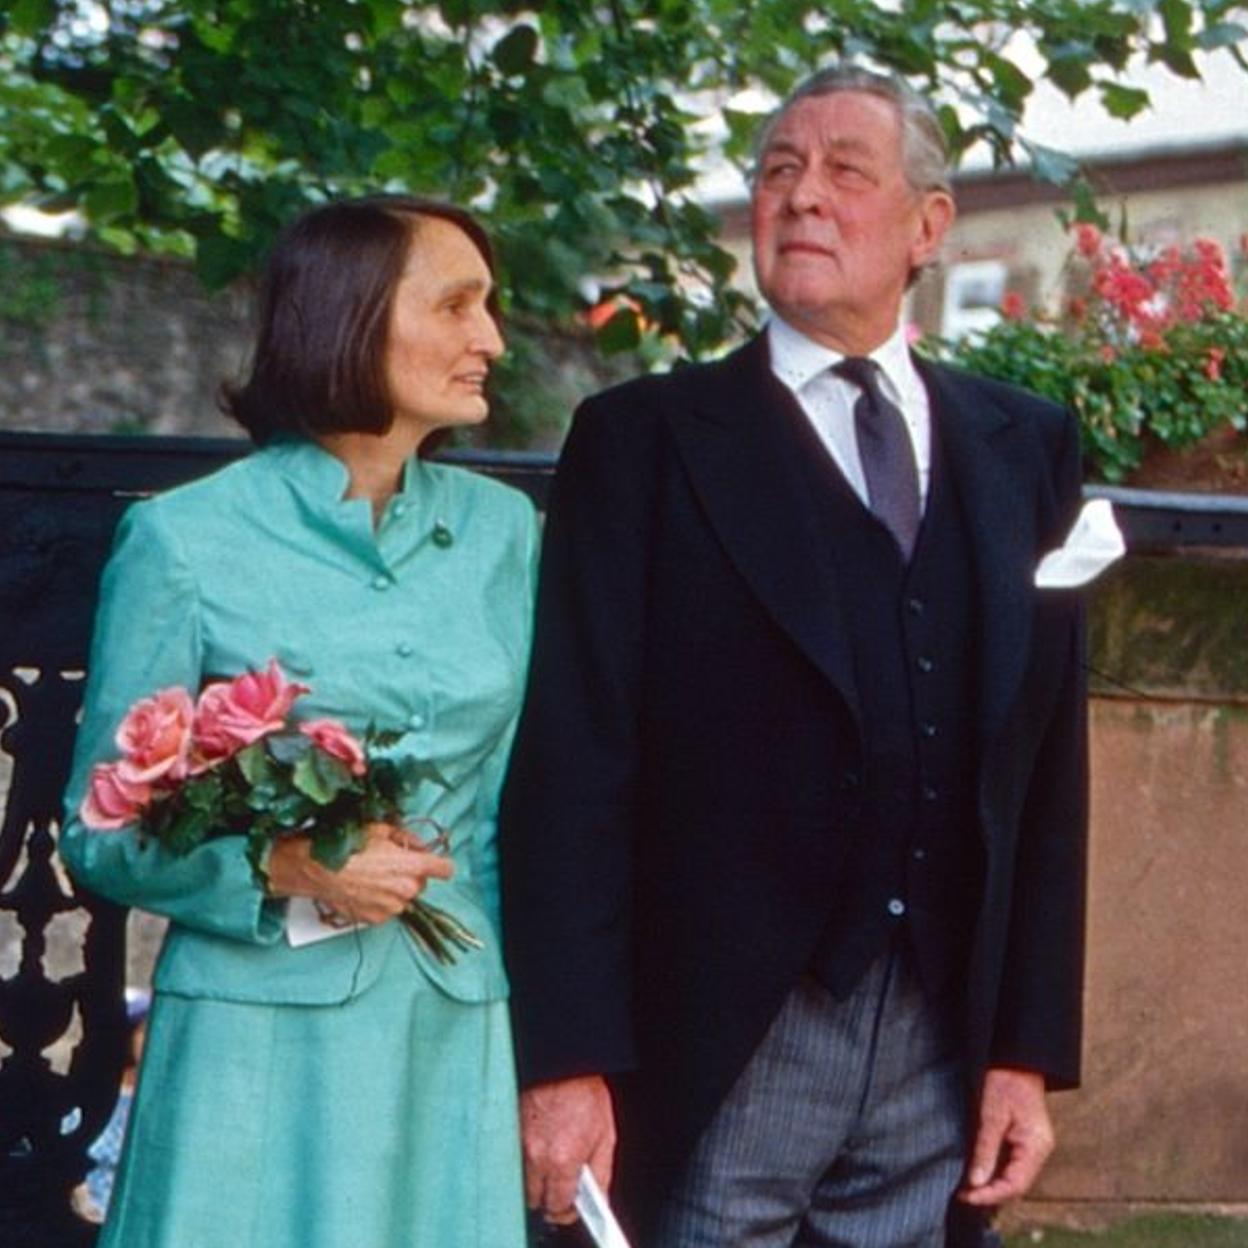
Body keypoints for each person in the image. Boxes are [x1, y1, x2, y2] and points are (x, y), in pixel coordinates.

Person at [500, 65, 1087, 1248]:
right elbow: (572, 763)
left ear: (929, 227)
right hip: (716, 1038)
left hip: (941, 1045)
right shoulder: (644, 442)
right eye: (778, 170)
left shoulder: (1025, 445)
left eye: (844, 173)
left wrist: (1025, 1049)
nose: (802, 197)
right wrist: (566, 1060)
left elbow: (1047, 769)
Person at [59, 194, 538, 1248]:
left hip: (449, 1031)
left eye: (489, 308)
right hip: (252, 1047)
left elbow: (521, 810)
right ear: (352, 318)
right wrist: (282, 866)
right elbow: (99, 832)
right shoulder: (182, 541)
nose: (490, 339)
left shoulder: (509, 536)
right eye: (458, 306)